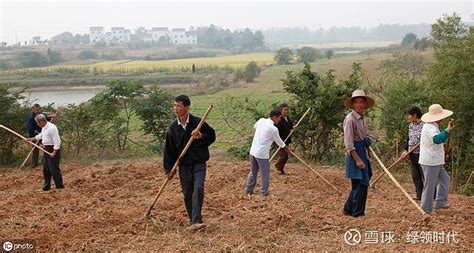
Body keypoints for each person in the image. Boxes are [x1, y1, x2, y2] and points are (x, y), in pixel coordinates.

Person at [163, 95, 216, 230]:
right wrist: (169, 169)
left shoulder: (198, 123)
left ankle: (197, 220)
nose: (175, 108)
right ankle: (193, 221)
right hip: (184, 165)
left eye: (178, 106)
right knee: (188, 193)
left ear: (187, 108)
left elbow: (212, 136)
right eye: (174, 105)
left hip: (199, 163)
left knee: (198, 188)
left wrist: (201, 136)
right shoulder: (173, 128)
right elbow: (169, 150)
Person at [342, 90, 375, 217]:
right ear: (353, 105)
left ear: (365, 104)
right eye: (357, 102)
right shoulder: (350, 119)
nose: (359, 105)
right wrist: (358, 159)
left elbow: (362, 136)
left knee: (365, 179)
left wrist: (366, 142)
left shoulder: (362, 118)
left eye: (361, 102)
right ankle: (357, 212)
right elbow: (349, 144)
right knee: (359, 183)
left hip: (363, 151)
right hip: (355, 153)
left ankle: (348, 208)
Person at [245, 109, 290, 197]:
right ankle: (264, 192)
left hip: (253, 151)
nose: (280, 120)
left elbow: (255, 127)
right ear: (274, 117)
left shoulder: (261, 120)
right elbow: (280, 142)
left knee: (253, 172)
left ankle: (248, 190)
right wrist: (287, 150)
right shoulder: (273, 129)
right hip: (262, 154)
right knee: (265, 173)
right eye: (279, 118)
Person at [419, 104, 454, 214]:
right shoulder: (430, 127)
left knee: (445, 179)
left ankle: (440, 202)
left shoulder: (433, 126)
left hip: (436, 160)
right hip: (430, 161)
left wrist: (446, 131)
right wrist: (447, 130)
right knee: (429, 185)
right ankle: (425, 209)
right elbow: (437, 139)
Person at [27, 114, 64, 191]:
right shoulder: (44, 127)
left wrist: (54, 151)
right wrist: (32, 138)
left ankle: (59, 186)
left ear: (42, 121)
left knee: (54, 169)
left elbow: (57, 141)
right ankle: (46, 187)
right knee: (46, 169)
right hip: (46, 149)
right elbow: (41, 135)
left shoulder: (52, 128)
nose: (37, 124)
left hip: (53, 149)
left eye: (38, 123)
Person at [401, 106, 424, 200]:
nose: (408, 117)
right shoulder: (411, 125)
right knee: (415, 176)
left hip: (422, 154)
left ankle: (430, 196)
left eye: (409, 115)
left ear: (415, 115)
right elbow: (409, 139)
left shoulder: (424, 125)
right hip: (412, 154)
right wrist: (405, 150)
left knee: (425, 175)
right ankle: (419, 195)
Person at [26, 104, 56, 168]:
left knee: (46, 147)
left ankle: (45, 162)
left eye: (39, 109)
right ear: (33, 110)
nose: (38, 111)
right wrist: (38, 133)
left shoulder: (42, 115)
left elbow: (47, 119)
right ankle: (34, 165)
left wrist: (52, 116)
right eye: (36, 110)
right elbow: (30, 128)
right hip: (34, 135)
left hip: (43, 134)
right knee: (35, 149)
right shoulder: (31, 118)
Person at [274, 103, 293, 174]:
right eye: (285, 110)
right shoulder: (279, 119)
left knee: (285, 156)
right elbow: (277, 131)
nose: (286, 111)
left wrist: (293, 128)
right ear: (281, 111)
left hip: (286, 140)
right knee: (283, 155)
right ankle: (278, 167)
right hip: (279, 140)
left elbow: (290, 126)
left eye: (287, 110)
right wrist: (280, 141)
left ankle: (280, 169)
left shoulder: (287, 118)